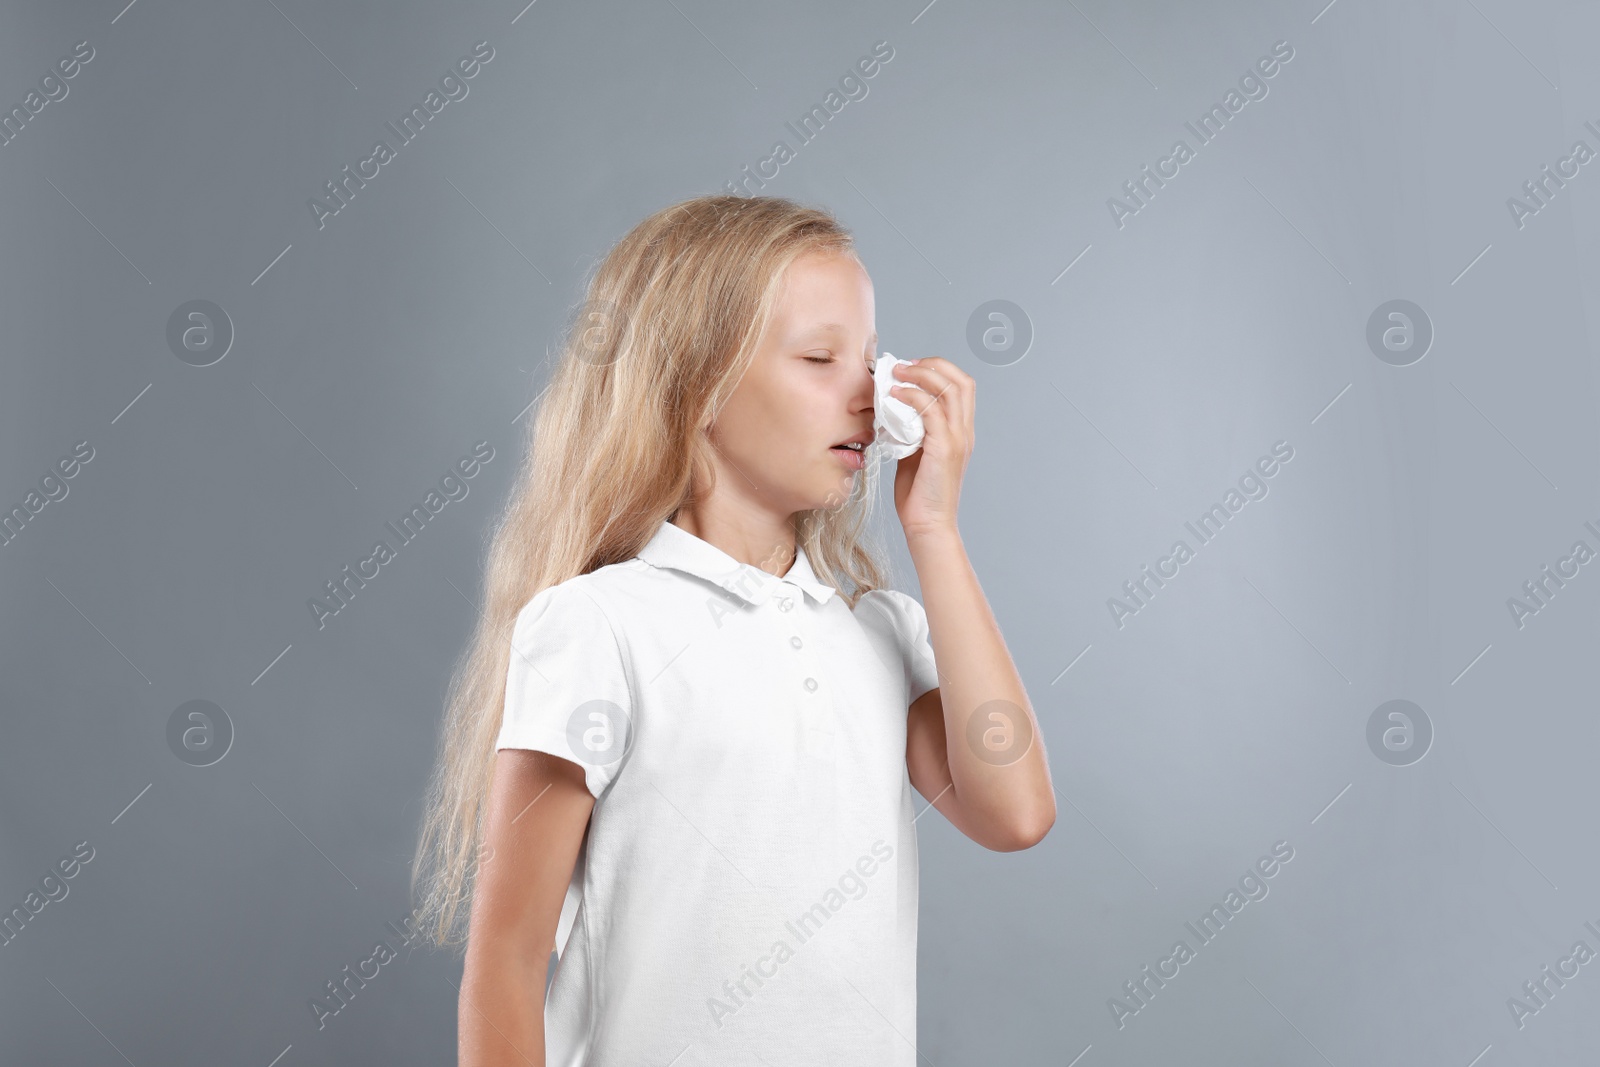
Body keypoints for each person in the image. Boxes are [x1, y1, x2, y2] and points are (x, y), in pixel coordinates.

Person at [410, 193, 1054, 1066]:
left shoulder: (879, 630)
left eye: (870, 359)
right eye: (821, 358)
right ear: (698, 384)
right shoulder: (599, 624)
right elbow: (509, 959)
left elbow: (1015, 812)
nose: (869, 394)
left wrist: (934, 530)